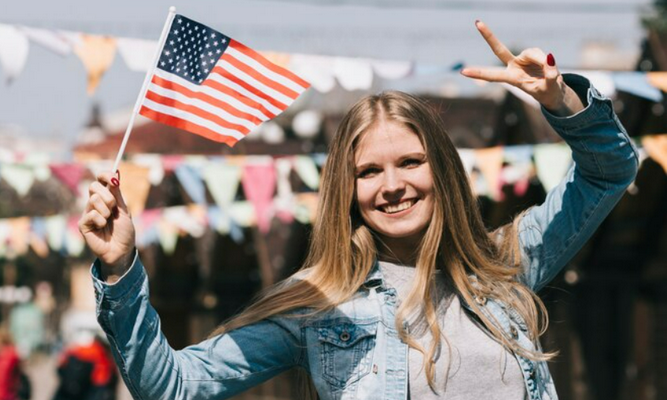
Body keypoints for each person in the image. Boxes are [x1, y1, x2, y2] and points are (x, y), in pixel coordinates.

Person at [79, 21, 639, 400]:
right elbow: (174, 385)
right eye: (369, 173)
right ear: (347, 192)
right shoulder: (319, 303)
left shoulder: (507, 263)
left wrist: (561, 101)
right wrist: (120, 269)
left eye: (410, 163)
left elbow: (609, 170)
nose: (392, 186)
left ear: (441, 170)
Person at [52, 331, 118, 400]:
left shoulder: (79, 350)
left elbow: (60, 367)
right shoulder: (100, 354)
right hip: (93, 386)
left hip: (79, 386)